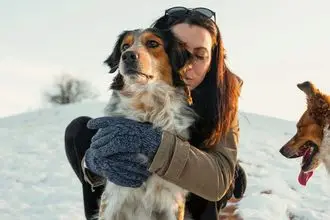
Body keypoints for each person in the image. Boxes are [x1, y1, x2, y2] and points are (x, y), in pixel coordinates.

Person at [64, 6, 247, 220]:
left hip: (196, 188)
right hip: (128, 191)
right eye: (178, 51)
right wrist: (93, 164)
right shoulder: (134, 88)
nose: (186, 64)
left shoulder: (223, 95)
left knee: (217, 172)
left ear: (213, 62)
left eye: (199, 55)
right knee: (84, 131)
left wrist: (153, 142)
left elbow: (217, 180)